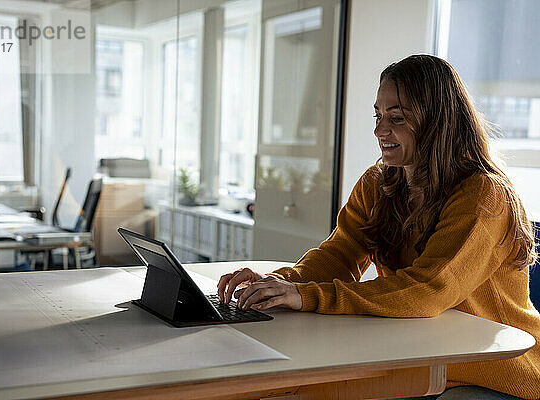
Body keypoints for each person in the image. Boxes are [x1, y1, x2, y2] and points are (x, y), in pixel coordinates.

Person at [217, 55, 540, 400]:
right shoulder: (379, 183)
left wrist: (307, 296)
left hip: (494, 368)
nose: (379, 130)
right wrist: (281, 284)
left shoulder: (483, 195)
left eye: (396, 118)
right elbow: (339, 255)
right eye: (378, 116)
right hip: (418, 349)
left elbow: (428, 290)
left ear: (437, 122)